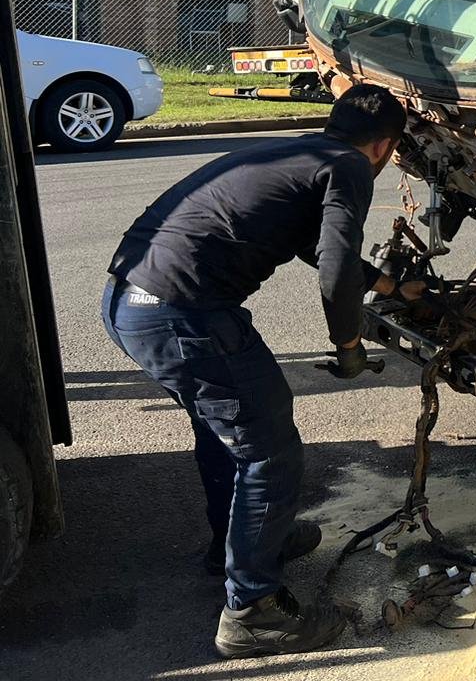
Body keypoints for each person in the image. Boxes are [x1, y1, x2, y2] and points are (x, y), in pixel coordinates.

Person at [102, 83, 407, 659]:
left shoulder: (298, 155)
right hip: (184, 316)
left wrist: (390, 285)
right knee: (270, 451)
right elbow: (335, 271)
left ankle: (240, 545)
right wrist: (349, 346)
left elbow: (311, 246)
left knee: (226, 431)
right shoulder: (349, 167)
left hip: (127, 301)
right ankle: (254, 613)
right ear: (384, 146)